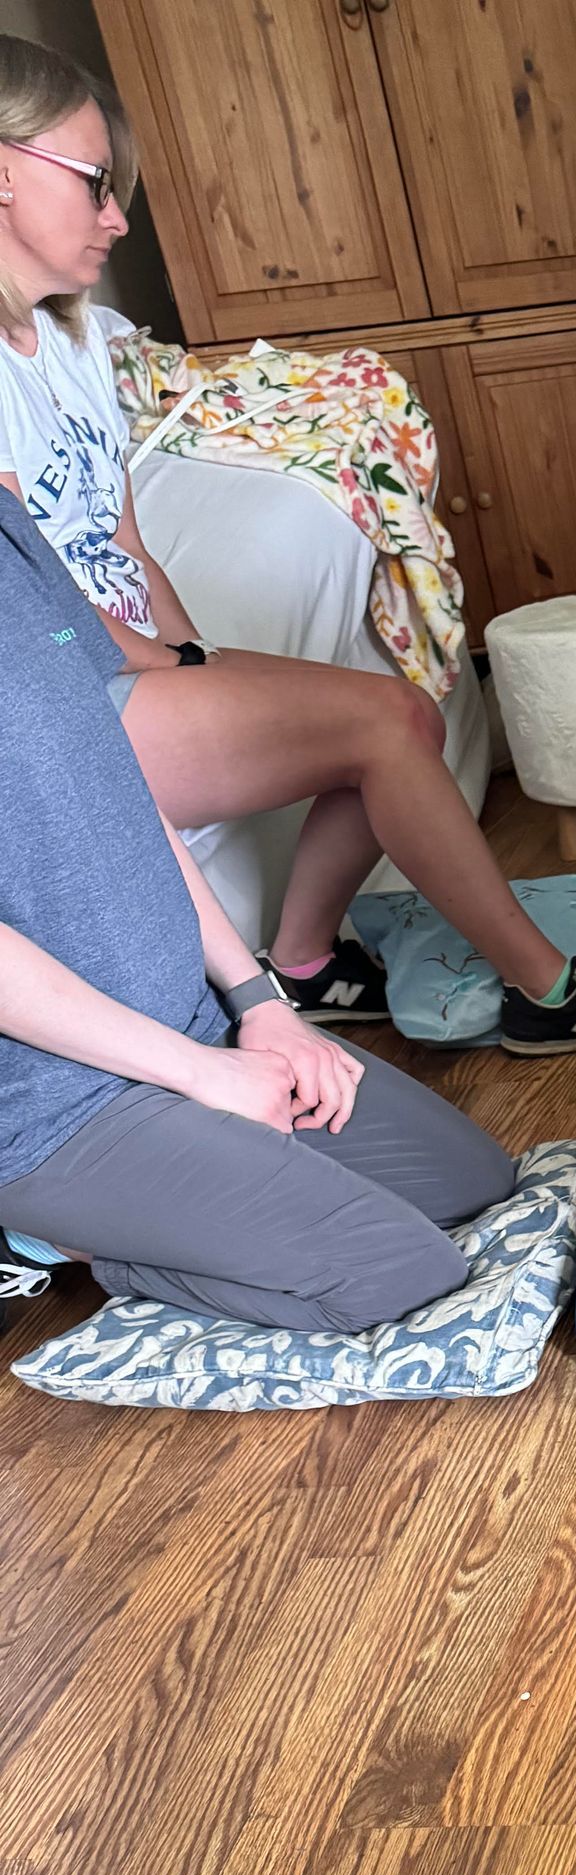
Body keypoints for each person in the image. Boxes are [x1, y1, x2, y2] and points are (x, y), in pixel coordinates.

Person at [0, 35, 576, 1057]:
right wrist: (165, 666)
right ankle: (546, 989)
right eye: (97, 185)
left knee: (391, 706)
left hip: (133, 670)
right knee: (379, 725)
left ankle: (310, 964)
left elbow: (127, 542)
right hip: (55, 704)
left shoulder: (75, 337)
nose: (119, 217)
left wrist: (197, 655)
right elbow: (40, 598)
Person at [0, 482, 520, 1331]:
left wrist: (259, 1005)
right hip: (52, 1102)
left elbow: (123, 788)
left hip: (193, 1025)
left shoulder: (6, 522)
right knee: (397, 1270)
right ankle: (52, 1239)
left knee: (470, 1182)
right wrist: (201, 1076)